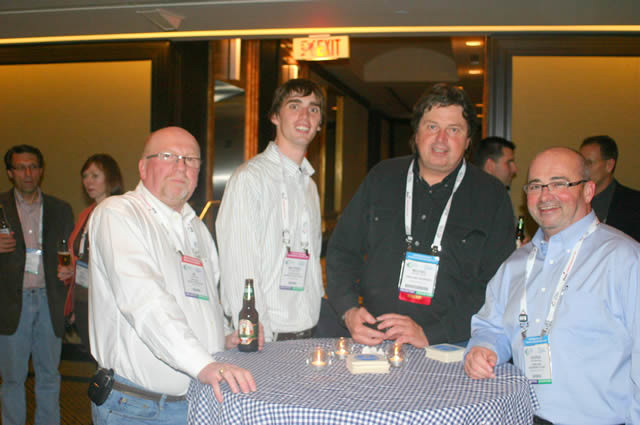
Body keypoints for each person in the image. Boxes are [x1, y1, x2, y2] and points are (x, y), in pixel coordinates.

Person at [88, 127, 261, 425]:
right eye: (168, 156)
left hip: (194, 401)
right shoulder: (118, 214)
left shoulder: (197, 228)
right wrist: (203, 364)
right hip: (137, 408)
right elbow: (145, 302)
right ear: (143, 167)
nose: (181, 166)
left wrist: (223, 336)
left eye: (191, 159)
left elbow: (204, 301)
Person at [326, 83, 515, 348]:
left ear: (468, 141)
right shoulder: (382, 178)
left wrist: (432, 333)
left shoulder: (491, 196)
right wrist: (348, 310)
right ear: (416, 134)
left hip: (451, 346)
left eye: (454, 130)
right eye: (432, 126)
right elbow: (342, 251)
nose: (441, 139)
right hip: (374, 339)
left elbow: (498, 284)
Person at [465, 147, 640, 425]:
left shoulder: (624, 259)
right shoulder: (515, 264)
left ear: (588, 191)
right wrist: (484, 348)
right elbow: (491, 326)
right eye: (536, 186)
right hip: (522, 417)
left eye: (559, 183)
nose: (545, 196)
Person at [216, 78, 324, 342]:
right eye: (294, 106)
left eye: (313, 109)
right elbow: (239, 265)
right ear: (275, 116)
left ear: (320, 123)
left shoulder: (309, 186)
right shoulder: (250, 179)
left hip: (307, 331)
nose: (305, 116)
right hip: (268, 336)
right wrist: (254, 329)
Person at [0, 145, 74, 425]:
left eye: (33, 166)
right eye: (20, 168)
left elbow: (71, 252)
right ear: (10, 173)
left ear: (41, 171)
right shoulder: (0, 206)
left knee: (49, 376)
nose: (28, 173)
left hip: (49, 300)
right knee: (12, 379)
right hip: (11, 302)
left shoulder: (60, 209)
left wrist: (70, 269)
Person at [57, 154, 123, 356]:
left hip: (107, 301)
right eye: (85, 176)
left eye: (95, 176)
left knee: (111, 359)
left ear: (110, 178)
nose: (88, 182)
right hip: (84, 297)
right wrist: (71, 270)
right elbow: (80, 255)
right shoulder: (87, 213)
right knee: (95, 357)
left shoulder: (119, 211)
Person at [579, 135, 640, 241]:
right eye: (580, 164)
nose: (582, 169)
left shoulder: (635, 204)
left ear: (609, 165)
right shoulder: (571, 200)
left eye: (588, 163)